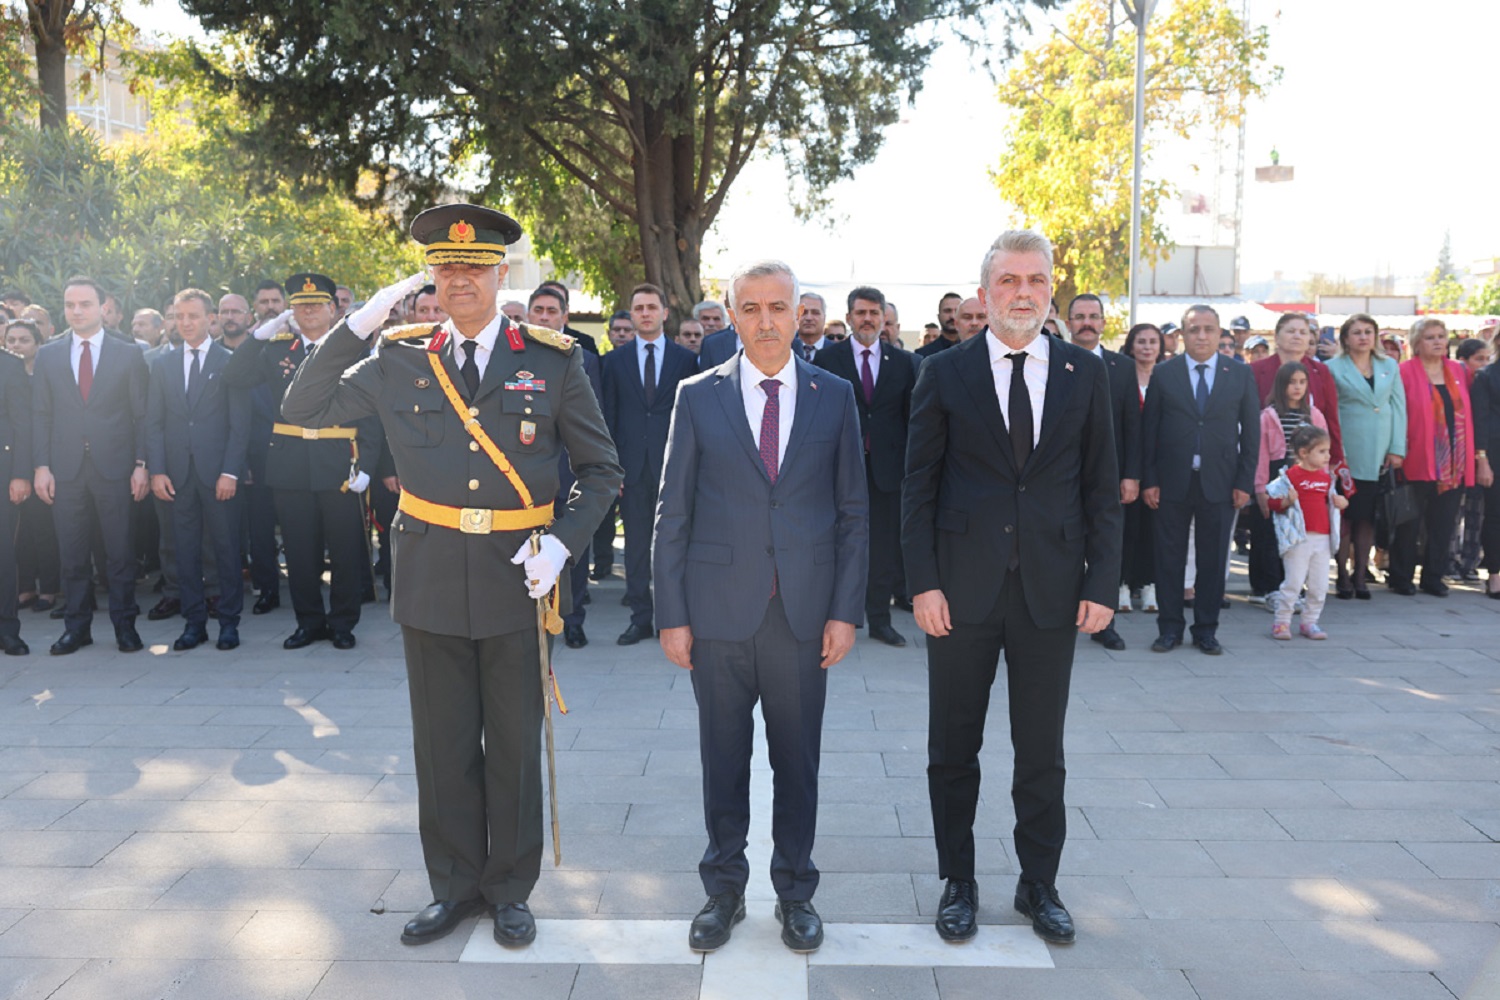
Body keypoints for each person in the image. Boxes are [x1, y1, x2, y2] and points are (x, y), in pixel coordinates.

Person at [280, 203, 622, 950]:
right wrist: (359, 322)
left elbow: (601, 472)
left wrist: (561, 546)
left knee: (511, 745)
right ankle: (454, 886)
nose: (459, 279)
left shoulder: (553, 359)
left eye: (474, 267)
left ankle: (509, 890)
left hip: (518, 578)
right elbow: (302, 406)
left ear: (502, 275)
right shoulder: (398, 355)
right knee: (441, 746)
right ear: (428, 277)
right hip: (430, 573)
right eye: (445, 267)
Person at [903, 230, 1121, 946]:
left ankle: (1039, 884)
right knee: (952, 749)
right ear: (984, 292)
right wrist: (923, 584)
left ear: (1050, 288)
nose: (1023, 293)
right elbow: (918, 489)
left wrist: (1102, 583)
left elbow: (1099, 490)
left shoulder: (1084, 375)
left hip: (1052, 594)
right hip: (960, 594)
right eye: (1008, 281)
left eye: (1035, 280)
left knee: (1041, 752)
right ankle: (958, 881)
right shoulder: (945, 372)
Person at [654, 258, 867, 955]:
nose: (767, 321)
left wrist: (845, 611)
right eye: (752, 308)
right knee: (723, 757)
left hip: (803, 618)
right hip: (715, 616)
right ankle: (723, 890)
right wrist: (671, 613)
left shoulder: (833, 395)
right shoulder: (697, 394)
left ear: (800, 312)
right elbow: (671, 512)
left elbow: (852, 511)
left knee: (797, 761)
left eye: (780, 307)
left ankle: (796, 892)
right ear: (732, 313)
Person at [223, 272, 380, 648]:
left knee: (344, 550)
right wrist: (259, 334)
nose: (308, 311)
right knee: (299, 550)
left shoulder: (355, 350)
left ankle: (342, 624)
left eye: (316, 305)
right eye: (300, 305)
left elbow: (374, 412)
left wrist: (369, 466)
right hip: (291, 462)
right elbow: (234, 376)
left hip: (340, 460)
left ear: (332, 310)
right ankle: (309, 622)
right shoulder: (277, 349)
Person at [32, 275, 151, 655]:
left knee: (119, 553)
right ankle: (77, 628)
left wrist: (141, 463)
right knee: (72, 553)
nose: (77, 311)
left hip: (116, 467)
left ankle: (125, 627)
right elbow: (41, 415)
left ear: (103, 306)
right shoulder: (49, 353)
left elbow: (142, 416)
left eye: (84, 304)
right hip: (64, 470)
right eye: (70, 305)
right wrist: (41, 466)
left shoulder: (128, 353)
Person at [1142, 305, 1259, 655]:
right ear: (1182, 334)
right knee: (1169, 559)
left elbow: (1251, 434)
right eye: (1194, 330)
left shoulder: (1239, 374)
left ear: (1220, 332)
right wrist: (1149, 479)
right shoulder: (1164, 374)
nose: (1202, 336)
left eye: (1209, 329)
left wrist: (1244, 482)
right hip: (1172, 481)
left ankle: (1206, 629)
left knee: (1212, 559)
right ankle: (1169, 628)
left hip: (1220, 483)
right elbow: (1149, 433)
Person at [146, 289, 250, 651]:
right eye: (179, 316)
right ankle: (194, 623)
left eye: (193, 316)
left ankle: (228, 622)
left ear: (211, 319)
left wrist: (231, 472)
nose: (185, 323)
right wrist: (156, 470)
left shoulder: (229, 361)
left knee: (224, 549)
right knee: (183, 550)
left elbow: (241, 424)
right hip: (176, 476)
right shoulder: (162, 364)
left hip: (218, 473)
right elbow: (154, 422)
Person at [814, 285, 915, 647]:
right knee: (838, 544)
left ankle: (880, 620)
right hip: (839, 467)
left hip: (888, 471)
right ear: (850, 316)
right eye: (861, 313)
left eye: (874, 313)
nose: (868, 319)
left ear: (884, 317)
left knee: (884, 550)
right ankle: (840, 615)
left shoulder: (904, 363)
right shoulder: (827, 361)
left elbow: (911, 419)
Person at [600, 283, 697, 645]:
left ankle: (674, 619)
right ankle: (640, 618)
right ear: (631, 313)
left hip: (675, 468)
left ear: (664, 313)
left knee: (677, 546)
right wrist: (612, 468)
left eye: (651, 307)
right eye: (638, 307)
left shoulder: (686, 360)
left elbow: (692, 418)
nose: (645, 313)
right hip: (632, 471)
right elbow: (607, 417)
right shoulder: (614, 362)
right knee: (637, 549)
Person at [527, 288, 604, 649]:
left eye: (551, 311)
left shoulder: (585, 359)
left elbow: (596, 423)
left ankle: (572, 621)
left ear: (564, 318)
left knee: (574, 549)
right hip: (525, 478)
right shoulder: (508, 359)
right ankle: (529, 619)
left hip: (570, 473)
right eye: (538, 310)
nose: (544, 317)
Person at [1065, 293, 1141, 649]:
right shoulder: (1053, 362)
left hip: (1108, 474)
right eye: (1079, 316)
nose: (1087, 323)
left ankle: (1103, 621)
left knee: (1106, 544)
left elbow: (1131, 425)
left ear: (1104, 323)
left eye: (1093, 316)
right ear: (1068, 323)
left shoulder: (1122, 368)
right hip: (1062, 473)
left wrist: (1131, 474)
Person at [1389, 319, 1476, 597]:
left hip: (1454, 462)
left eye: (1441, 336)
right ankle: (1401, 576)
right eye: (1430, 337)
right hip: (1416, 456)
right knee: (1409, 523)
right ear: (1416, 343)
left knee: (1443, 523)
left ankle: (1433, 577)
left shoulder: (1458, 370)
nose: (1438, 342)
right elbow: (1396, 414)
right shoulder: (1403, 372)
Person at [1327, 313, 1405, 599]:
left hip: (1380, 451)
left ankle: (1361, 574)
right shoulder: (1333, 367)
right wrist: (1334, 452)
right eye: (1357, 332)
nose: (1363, 337)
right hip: (1347, 451)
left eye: (1368, 332)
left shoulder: (1389, 366)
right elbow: (1330, 411)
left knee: (1368, 517)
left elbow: (1399, 407)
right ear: (1346, 338)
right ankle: (1343, 575)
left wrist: (1397, 448)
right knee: (1346, 514)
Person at [1253, 361, 1329, 610]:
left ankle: (1295, 585)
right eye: (1291, 382)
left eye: (1301, 382)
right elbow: (1262, 454)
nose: (1297, 387)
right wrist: (1261, 487)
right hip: (1278, 475)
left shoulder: (1314, 415)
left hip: (1306, 476)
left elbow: (1323, 452)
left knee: (1299, 533)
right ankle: (1269, 587)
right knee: (1272, 532)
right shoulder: (1269, 415)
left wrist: (1325, 483)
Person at [1264, 425, 1346, 640]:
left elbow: (1335, 500)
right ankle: (1282, 622)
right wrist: (1286, 501)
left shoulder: (1327, 479)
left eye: (1328, 451)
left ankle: (1310, 622)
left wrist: (1341, 502)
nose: (1327, 456)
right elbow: (1271, 501)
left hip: (1323, 539)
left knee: (1320, 585)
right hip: (1298, 539)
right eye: (1322, 451)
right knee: (1293, 582)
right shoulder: (1290, 477)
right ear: (1303, 453)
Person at [5, 320, 58, 616]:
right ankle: (25, 587)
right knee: (19, 532)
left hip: (42, 460)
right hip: (12, 462)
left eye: (24, 340)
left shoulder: (46, 373)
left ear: (38, 344)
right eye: (11, 340)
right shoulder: (7, 372)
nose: (16, 345)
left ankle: (49, 588)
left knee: (43, 528)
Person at [1120, 323, 1161, 613]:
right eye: (1141, 341)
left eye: (1152, 341)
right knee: (1127, 529)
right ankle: (1122, 584)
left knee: (1153, 530)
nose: (1147, 347)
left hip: (1159, 465)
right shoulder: (1121, 375)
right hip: (1127, 464)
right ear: (1131, 345)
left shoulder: (1169, 376)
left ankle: (1148, 585)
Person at [0, 328, 31, 654]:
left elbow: (23, 424)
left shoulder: (10, 366)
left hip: (2, 473)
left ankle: (6, 629)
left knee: (3, 557)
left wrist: (21, 474)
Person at [1469, 347, 1500, 597]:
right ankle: (1494, 575)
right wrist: (1482, 458)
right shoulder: (1486, 376)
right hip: (1494, 452)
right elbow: (1479, 420)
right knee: (1495, 516)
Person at [914, 292, 963, 359]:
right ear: (938, 316)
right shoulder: (923, 354)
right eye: (947, 311)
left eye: (957, 311)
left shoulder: (975, 350)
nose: (953, 316)